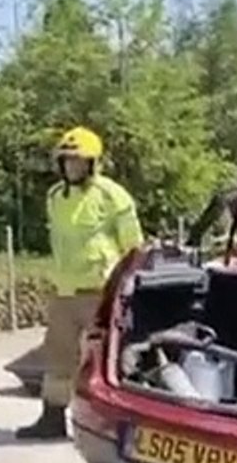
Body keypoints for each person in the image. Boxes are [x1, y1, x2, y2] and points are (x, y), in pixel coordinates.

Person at [17, 126, 144, 440]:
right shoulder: (55, 197)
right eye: (66, 160)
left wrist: (127, 285)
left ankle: (121, 421)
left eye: (78, 160)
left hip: (101, 292)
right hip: (65, 291)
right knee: (58, 356)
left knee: (110, 358)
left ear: (92, 163)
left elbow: (133, 246)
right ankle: (52, 418)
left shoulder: (111, 195)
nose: (71, 166)